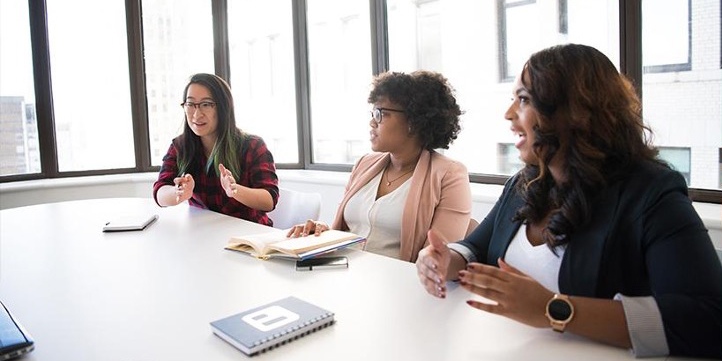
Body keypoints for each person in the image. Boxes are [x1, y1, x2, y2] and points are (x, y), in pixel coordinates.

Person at [415, 44, 721, 358]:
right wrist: (445, 260)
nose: (509, 114)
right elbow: (477, 248)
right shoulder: (525, 182)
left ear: (576, 111)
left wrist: (554, 308)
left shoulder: (651, 193)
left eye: (524, 100)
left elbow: (706, 317)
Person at [288, 71, 471, 262]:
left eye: (381, 114)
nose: (372, 122)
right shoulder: (364, 164)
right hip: (342, 273)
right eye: (373, 113)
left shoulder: (449, 175)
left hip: (398, 285)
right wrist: (322, 233)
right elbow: (348, 230)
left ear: (414, 122)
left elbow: (438, 259)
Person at [153, 73, 279, 226]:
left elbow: (269, 200)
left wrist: (235, 190)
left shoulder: (252, 145)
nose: (196, 114)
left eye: (206, 104)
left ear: (223, 107)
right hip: (204, 234)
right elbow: (160, 192)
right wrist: (178, 192)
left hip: (248, 237)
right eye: (191, 104)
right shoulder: (180, 146)